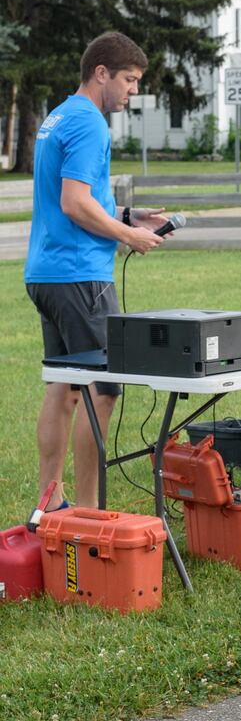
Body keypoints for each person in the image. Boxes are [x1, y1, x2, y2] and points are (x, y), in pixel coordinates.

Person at [26, 32, 170, 512]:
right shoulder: (90, 123)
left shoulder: (58, 116)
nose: (133, 91)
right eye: (129, 80)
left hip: (46, 272)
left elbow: (80, 196)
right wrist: (128, 237)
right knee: (101, 390)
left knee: (63, 386)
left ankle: (52, 504)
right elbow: (74, 203)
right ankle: (88, 511)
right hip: (81, 276)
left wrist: (129, 216)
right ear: (101, 73)